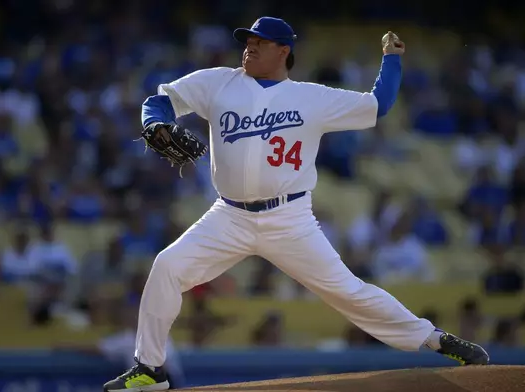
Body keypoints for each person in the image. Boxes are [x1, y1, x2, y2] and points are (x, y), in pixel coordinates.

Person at [104, 16, 489, 391]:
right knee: (167, 266)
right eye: (247, 41)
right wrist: (155, 123)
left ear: (283, 50)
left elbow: (379, 104)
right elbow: (163, 98)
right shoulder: (219, 82)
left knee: (347, 291)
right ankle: (150, 369)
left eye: (259, 42)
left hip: (288, 217)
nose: (249, 47)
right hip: (229, 215)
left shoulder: (311, 97)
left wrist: (392, 58)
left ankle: (434, 339)